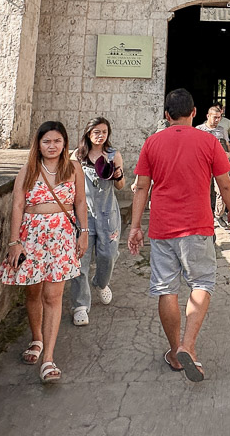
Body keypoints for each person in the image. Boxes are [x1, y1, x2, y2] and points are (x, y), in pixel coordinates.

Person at [128, 88, 230, 382]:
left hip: (162, 227)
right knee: (201, 282)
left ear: (166, 115)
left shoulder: (152, 142)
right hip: (197, 226)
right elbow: (225, 183)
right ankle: (188, 345)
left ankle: (175, 352)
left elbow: (141, 187)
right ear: (194, 112)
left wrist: (135, 226)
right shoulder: (208, 141)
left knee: (166, 288)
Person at [0, 121, 88, 383]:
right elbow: (17, 205)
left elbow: (80, 201)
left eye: (57, 141)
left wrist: (84, 232)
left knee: (53, 295)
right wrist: (14, 242)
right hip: (32, 235)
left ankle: (48, 358)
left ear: (64, 144)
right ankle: (36, 337)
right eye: (46, 141)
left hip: (62, 236)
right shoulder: (28, 169)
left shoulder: (73, 169)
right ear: (38, 144)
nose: (52, 146)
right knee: (33, 291)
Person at [68, 117, 126, 327]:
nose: (100, 135)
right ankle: (80, 305)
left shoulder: (113, 155)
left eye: (104, 131)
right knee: (80, 260)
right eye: (96, 131)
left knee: (108, 255)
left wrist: (117, 175)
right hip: (84, 214)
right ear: (88, 133)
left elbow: (121, 186)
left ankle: (101, 283)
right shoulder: (77, 156)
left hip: (108, 214)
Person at [197, 105, 230, 219]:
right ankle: (204, 214)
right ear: (208, 116)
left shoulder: (221, 130)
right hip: (203, 166)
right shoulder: (199, 130)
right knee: (204, 190)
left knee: (221, 190)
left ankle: (218, 214)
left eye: (219, 118)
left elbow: (226, 144)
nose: (217, 120)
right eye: (215, 117)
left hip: (218, 165)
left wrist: (228, 153)